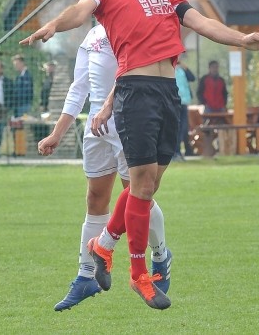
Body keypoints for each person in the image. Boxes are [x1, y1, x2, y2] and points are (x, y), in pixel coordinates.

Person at [20, 0, 259, 309]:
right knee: (140, 185)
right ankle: (139, 274)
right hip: (136, 91)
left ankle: (104, 245)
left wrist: (242, 39)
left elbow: (202, 23)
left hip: (168, 93)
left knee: (147, 187)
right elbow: (79, 12)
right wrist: (54, 24)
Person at [38, 24, 172, 311]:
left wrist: (109, 107)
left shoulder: (132, 25)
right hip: (95, 126)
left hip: (128, 118)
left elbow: (131, 73)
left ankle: (160, 255)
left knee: (138, 196)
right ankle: (86, 276)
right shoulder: (92, 36)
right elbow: (79, 87)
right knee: (95, 198)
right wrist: (57, 133)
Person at [174, 54, 196, 161]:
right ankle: (175, 152)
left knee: (183, 128)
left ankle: (179, 152)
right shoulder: (170, 69)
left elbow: (192, 78)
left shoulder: (182, 70)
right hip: (174, 102)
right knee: (176, 128)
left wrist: (185, 67)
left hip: (184, 102)